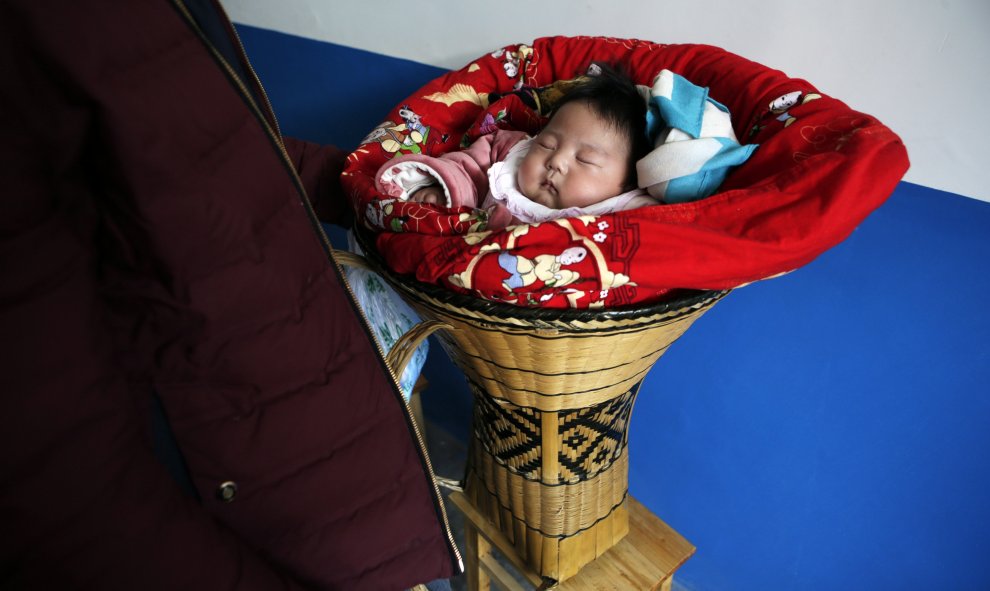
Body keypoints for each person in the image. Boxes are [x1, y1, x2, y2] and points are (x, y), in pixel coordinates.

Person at [0, 1, 458, 589]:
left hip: (310, 432)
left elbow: (214, 156)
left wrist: (383, 198)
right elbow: (60, 468)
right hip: (220, 477)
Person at [375, 63, 659, 230]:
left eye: (584, 159)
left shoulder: (627, 212)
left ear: (626, 181)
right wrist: (442, 191)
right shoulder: (510, 152)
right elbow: (468, 169)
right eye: (548, 144)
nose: (556, 161)